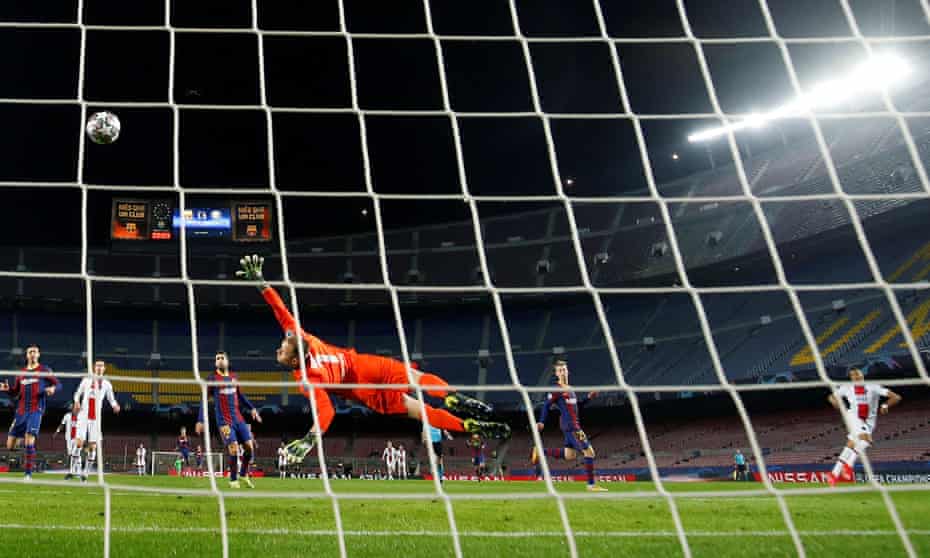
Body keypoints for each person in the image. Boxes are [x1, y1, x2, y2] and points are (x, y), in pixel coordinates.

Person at [234, 255, 510, 463]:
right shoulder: (306, 339)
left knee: (421, 411)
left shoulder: (309, 378)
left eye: (282, 349)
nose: (277, 350)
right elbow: (280, 310)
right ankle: (451, 395)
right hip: (365, 365)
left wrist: (309, 439)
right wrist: (261, 282)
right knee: (417, 379)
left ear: (295, 362)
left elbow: (326, 412)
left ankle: (466, 426)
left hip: (363, 391)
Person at [530, 359, 607, 492]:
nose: (563, 372)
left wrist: (589, 398)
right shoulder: (556, 390)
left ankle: (541, 451)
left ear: (568, 371)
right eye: (560, 370)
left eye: (564, 369)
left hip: (571, 425)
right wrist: (541, 421)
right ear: (556, 374)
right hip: (571, 427)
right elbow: (546, 405)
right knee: (589, 452)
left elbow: (578, 407)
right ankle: (591, 485)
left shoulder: (571, 390)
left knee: (569, 456)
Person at [195, 351, 263, 488]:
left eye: (222, 358)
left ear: (227, 361)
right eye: (217, 358)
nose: (219, 360)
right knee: (233, 449)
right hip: (224, 422)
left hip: (239, 419)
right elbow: (204, 399)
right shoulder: (212, 379)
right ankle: (233, 480)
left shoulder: (234, 377)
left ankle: (243, 474)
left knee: (249, 447)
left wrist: (252, 409)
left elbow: (240, 396)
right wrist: (200, 419)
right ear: (215, 363)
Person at [827, 367, 902, 486]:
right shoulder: (846, 388)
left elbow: (896, 397)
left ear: (862, 375)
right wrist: (838, 404)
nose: (856, 377)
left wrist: (885, 405)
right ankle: (848, 466)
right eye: (853, 375)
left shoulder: (873, 387)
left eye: (858, 374)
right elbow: (831, 397)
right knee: (866, 440)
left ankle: (834, 474)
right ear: (851, 378)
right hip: (853, 417)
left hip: (869, 421)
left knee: (851, 444)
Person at [0, 344, 58, 480]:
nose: (32, 354)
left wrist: (53, 389)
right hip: (20, 412)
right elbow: (15, 392)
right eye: (30, 352)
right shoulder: (21, 374)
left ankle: (28, 473)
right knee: (10, 446)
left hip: (35, 411)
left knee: (29, 441)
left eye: (35, 352)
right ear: (27, 355)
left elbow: (57, 384)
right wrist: (7, 389)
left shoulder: (44, 370)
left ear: (38, 354)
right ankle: (25, 442)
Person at [73, 360, 120, 482]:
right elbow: (77, 394)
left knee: (93, 447)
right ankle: (77, 470)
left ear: (104, 368)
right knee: (78, 444)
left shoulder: (106, 384)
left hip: (96, 419)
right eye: (98, 365)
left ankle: (86, 473)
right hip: (83, 416)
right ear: (94, 367)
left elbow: (111, 399)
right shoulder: (86, 380)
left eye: (102, 366)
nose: (99, 368)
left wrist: (115, 405)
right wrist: (77, 402)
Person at [55, 403, 81, 480]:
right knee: (72, 454)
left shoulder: (81, 416)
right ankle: (77, 472)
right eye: (73, 408)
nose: (74, 410)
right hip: (69, 438)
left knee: (75, 454)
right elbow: (62, 424)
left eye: (76, 408)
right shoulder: (67, 416)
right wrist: (57, 431)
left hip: (77, 438)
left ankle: (73, 472)